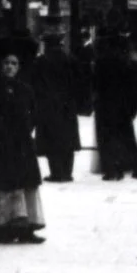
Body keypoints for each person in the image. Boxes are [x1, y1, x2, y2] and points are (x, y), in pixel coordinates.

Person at [0, 42, 48, 243]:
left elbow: (33, 114)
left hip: (21, 145)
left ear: (19, 67)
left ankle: (25, 227)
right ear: (0, 65)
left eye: (14, 63)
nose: (9, 67)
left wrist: (25, 132)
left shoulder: (26, 90)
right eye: (6, 63)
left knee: (24, 185)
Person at [30, 30, 86, 183]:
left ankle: (56, 172)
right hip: (67, 106)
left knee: (51, 140)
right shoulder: (70, 59)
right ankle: (67, 172)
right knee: (68, 139)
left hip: (48, 106)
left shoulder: (40, 62)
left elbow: (34, 85)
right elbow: (79, 82)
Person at [92, 30, 137, 181]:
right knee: (121, 136)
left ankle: (110, 169)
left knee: (106, 137)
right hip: (123, 105)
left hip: (105, 104)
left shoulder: (101, 62)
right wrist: (133, 107)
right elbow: (136, 87)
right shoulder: (129, 64)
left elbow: (96, 84)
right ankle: (121, 166)